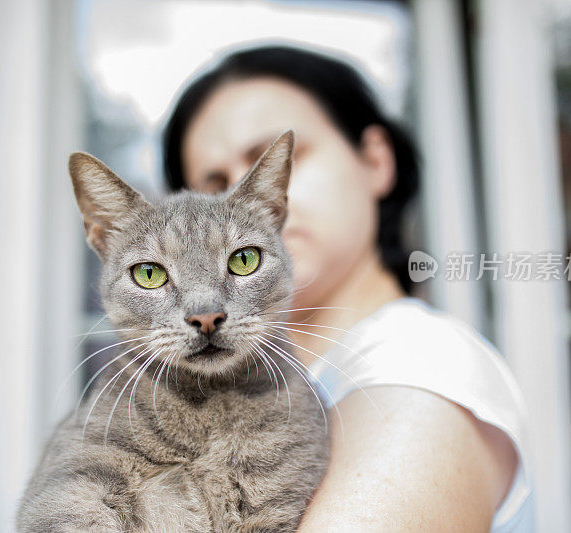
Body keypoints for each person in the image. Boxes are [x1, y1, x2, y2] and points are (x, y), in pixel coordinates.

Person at [161, 44, 534, 532]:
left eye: (271, 160)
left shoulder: (423, 366)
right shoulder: (284, 382)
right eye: (215, 186)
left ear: (376, 160)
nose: (242, 203)